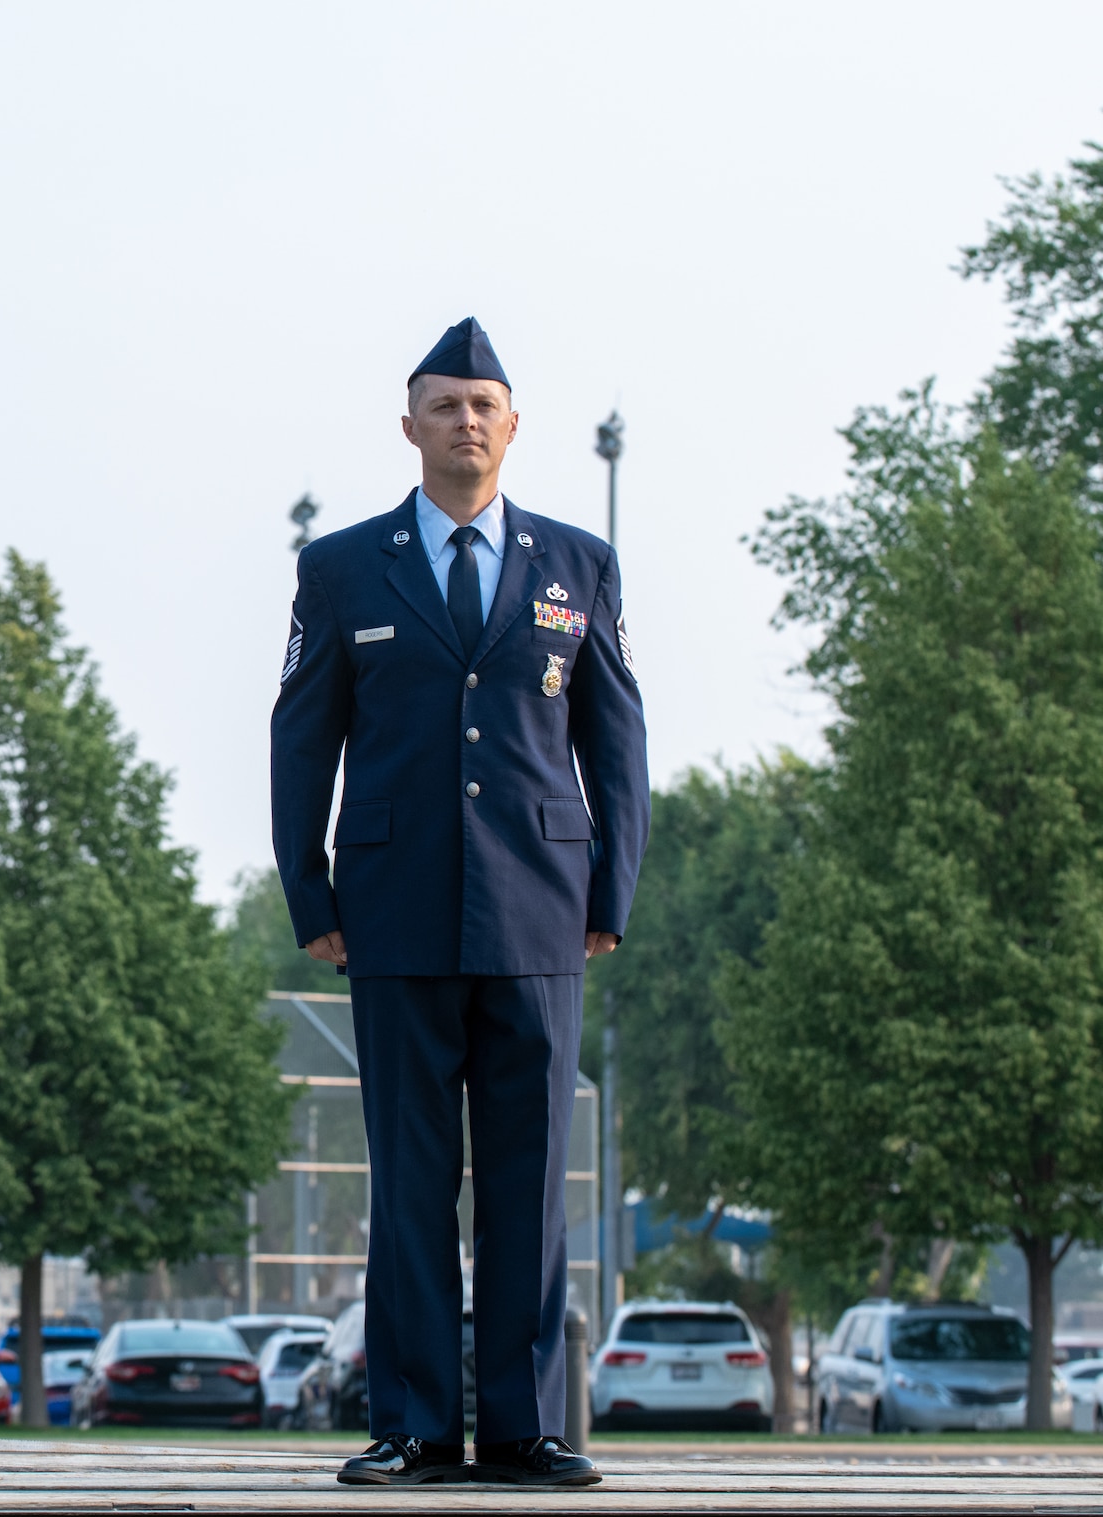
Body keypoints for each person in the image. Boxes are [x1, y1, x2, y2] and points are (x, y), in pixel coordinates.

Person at [270, 317, 648, 1488]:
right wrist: (308, 890)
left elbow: (615, 734)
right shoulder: (340, 566)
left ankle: (525, 1426)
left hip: (540, 907)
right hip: (391, 910)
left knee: (531, 1183)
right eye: (443, 404)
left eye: (483, 405)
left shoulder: (575, 563)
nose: (464, 422)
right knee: (411, 1181)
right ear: (408, 424)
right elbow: (300, 737)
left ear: (512, 425)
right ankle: (416, 1426)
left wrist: (611, 886)